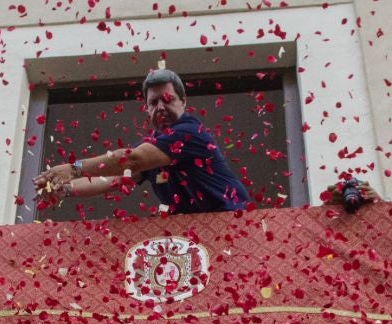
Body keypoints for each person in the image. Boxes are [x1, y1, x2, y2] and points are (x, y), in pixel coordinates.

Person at [37, 69, 252, 215]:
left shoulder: (190, 132)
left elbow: (133, 160)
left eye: (167, 100)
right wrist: (62, 188)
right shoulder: (154, 147)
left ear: (183, 102)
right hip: (198, 235)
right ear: (147, 109)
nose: (160, 107)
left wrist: (74, 169)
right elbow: (113, 180)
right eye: (153, 102)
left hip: (231, 225)